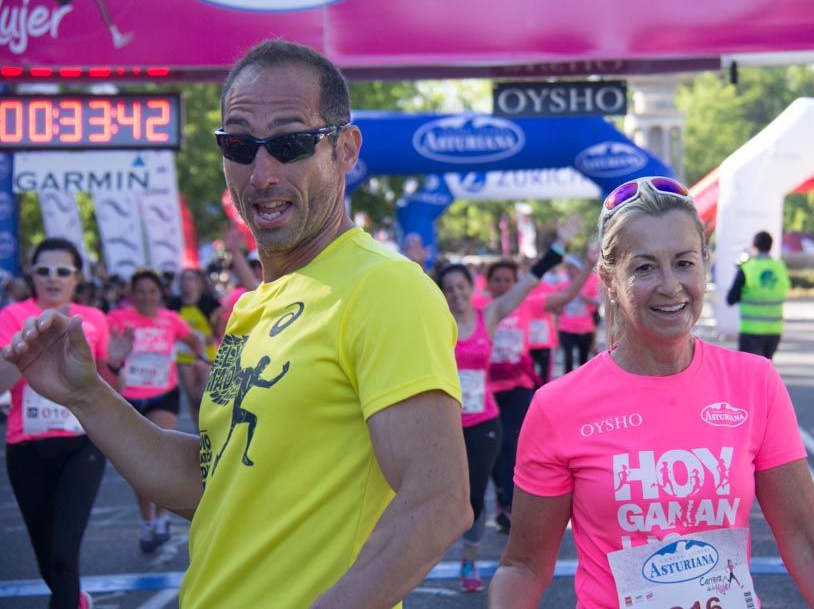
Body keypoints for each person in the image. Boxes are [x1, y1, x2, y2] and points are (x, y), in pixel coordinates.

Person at [2, 39, 471, 608]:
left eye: (291, 144)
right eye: (240, 145)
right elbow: (212, 482)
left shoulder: (384, 286)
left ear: (345, 150)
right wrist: (86, 394)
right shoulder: (255, 305)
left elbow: (437, 499)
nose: (262, 173)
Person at [488, 177, 814, 609]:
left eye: (683, 263)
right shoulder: (558, 407)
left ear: (704, 264)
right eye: (644, 268)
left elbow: (810, 545)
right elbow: (524, 567)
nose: (669, 285)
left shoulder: (755, 382)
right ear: (609, 280)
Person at [436, 225, 580, 592]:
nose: (456, 294)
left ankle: (469, 560)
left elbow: (528, 283)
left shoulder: (488, 316)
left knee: (473, 496)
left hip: (484, 421)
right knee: (442, 496)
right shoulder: (433, 324)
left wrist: (559, 246)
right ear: (441, 293)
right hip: (445, 423)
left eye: (461, 287)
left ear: (471, 288)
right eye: (449, 289)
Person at [0, 237, 130, 609]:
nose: (53, 278)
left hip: (82, 445)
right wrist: (27, 350)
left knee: (62, 557)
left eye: (63, 271)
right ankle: (75, 600)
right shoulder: (13, 316)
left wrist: (116, 364)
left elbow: (113, 387)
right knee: (47, 561)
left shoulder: (93, 319)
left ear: (77, 278)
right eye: (44, 270)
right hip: (26, 448)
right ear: (32, 275)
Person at [483, 247, 594, 535]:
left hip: (519, 385)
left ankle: (510, 505)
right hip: (486, 390)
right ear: (488, 283)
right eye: (497, 280)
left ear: (516, 283)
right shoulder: (481, 308)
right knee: (494, 448)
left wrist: (587, 266)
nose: (503, 285)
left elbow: (566, 297)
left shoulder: (528, 304)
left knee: (512, 443)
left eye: (508, 280)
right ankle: (500, 499)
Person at [107, 270, 203, 554]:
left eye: (152, 291)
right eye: (140, 291)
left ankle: (162, 517)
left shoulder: (171, 319)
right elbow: (105, 349)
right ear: (131, 294)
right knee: (138, 462)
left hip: (163, 394)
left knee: (158, 456)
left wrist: (195, 360)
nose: (146, 297)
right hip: (130, 397)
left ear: (160, 294)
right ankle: (148, 520)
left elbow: (194, 341)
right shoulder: (117, 319)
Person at [726, 230, 792, 360]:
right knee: (766, 369)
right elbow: (785, 290)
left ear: (754, 245)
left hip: (751, 331)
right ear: (770, 246)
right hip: (774, 331)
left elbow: (730, 299)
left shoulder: (747, 268)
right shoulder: (780, 267)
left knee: (748, 370)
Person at [168, 268, 220, 427]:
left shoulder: (209, 302)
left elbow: (220, 324)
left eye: (191, 279)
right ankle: (200, 433)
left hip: (207, 356)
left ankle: (212, 427)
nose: (187, 283)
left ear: (198, 283)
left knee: (205, 397)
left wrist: (214, 333)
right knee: (193, 401)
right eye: (184, 279)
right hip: (184, 357)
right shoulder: (174, 304)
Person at [555, 254, 602, 375]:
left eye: (572, 267)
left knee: (583, 361)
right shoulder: (562, 285)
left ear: (578, 269)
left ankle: (582, 384)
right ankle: (568, 384)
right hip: (566, 328)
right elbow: (556, 309)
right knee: (568, 360)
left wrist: (584, 298)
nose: (569, 270)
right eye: (567, 267)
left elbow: (598, 302)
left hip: (584, 329)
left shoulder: (590, 282)